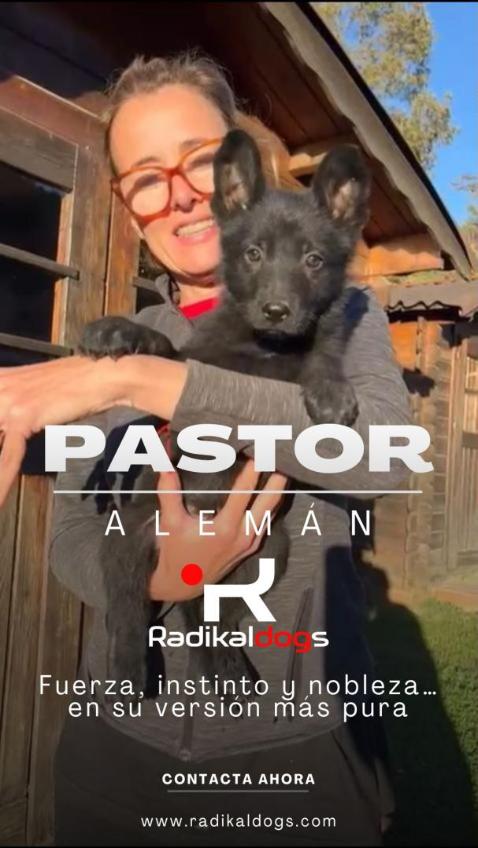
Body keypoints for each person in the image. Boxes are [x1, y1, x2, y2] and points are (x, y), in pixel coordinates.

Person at [0, 53, 411, 846]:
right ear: (126, 203)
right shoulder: (116, 344)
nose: (181, 193)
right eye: (147, 176)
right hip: (118, 750)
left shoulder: (345, 314)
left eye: (198, 160)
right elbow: (77, 538)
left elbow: (383, 454)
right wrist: (168, 571)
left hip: (293, 754)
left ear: (238, 174)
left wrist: (157, 385)